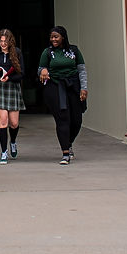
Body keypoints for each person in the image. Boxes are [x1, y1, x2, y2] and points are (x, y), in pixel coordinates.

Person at [37, 25, 87, 165]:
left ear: (63, 37)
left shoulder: (74, 51)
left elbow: (82, 70)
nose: (53, 39)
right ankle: (65, 152)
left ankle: (68, 142)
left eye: (56, 37)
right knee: (62, 119)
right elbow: (40, 69)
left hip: (73, 86)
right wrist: (43, 71)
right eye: (51, 37)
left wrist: (84, 88)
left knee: (77, 120)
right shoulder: (47, 53)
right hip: (55, 87)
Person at [0, 28, 25, 165]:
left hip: (12, 87)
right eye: (1, 41)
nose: (3, 44)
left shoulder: (17, 53)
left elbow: (22, 74)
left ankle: (12, 142)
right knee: (3, 121)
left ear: (10, 41)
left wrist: (9, 78)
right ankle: (3, 152)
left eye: (5, 41)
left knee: (14, 123)